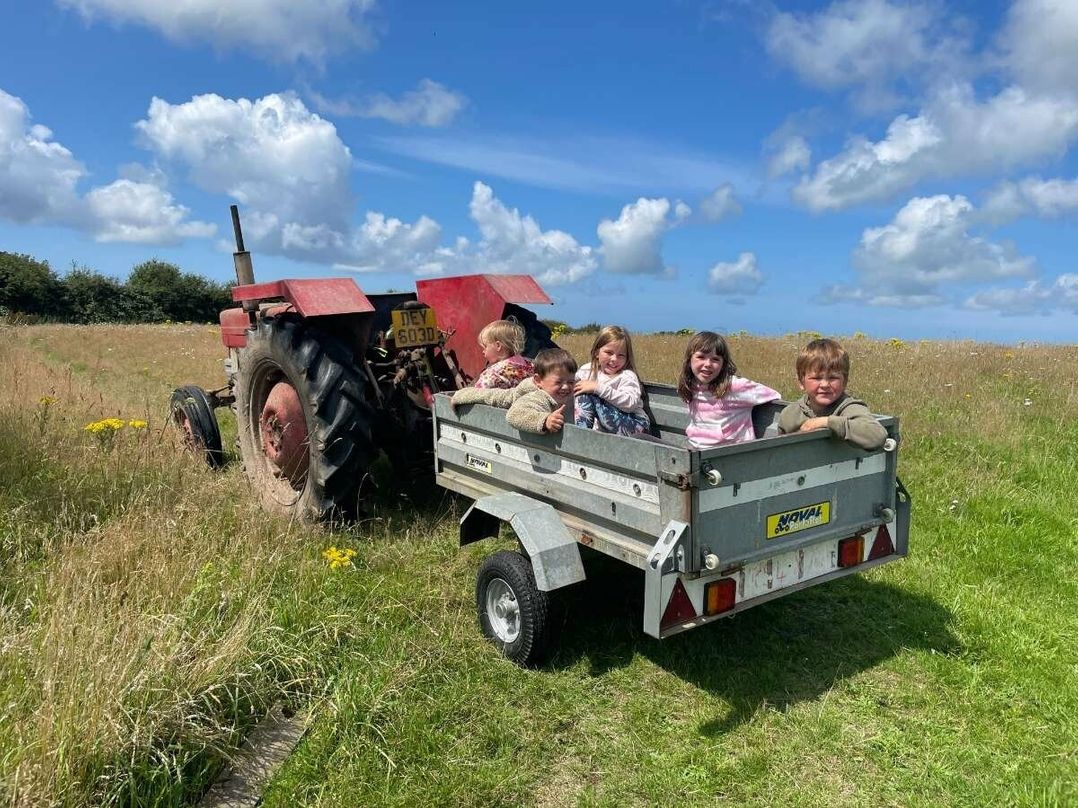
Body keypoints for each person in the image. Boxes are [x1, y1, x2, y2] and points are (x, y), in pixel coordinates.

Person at [777, 338, 887, 450]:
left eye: (833, 378)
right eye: (816, 378)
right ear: (801, 382)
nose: (825, 384)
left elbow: (877, 436)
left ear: (844, 382)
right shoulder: (789, 415)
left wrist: (826, 422)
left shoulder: (849, 408)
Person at [677, 331, 780, 449]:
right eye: (701, 357)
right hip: (694, 448)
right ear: (689, 360)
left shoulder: (735, 386)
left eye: (715, 359)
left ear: (723, 364)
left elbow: (774, 395)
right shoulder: (690, 385)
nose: (708, 364)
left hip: (730, 453)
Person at [451, 348, 577, 434]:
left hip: (518, 391)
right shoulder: (537, 398)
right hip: (516, 395)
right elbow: (514, 415)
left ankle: (462, 394)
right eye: (558, 382)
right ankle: (462, 395)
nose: (566, 387)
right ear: (538, 381)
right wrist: (545, 420)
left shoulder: (562, 391)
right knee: (494, 397)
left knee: (496, 396)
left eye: (571, 382)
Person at [573, 325, 650, 435]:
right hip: (607, 426)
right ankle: (581, 433)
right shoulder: (587, 370)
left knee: (587, 394)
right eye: (609, 353)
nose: (614, 359)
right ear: (596, 352)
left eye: (621, 355)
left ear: (627, 358)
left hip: (635, 425)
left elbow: (630, 403)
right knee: (580, 391)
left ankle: (580, 436)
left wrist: (597, 387)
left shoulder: (626, 376)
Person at [472, 319, 534, 389]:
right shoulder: (531, 367)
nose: (483, 351)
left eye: (485, 347)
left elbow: (477, 394)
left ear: (498, 346)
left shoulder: (492, 374)